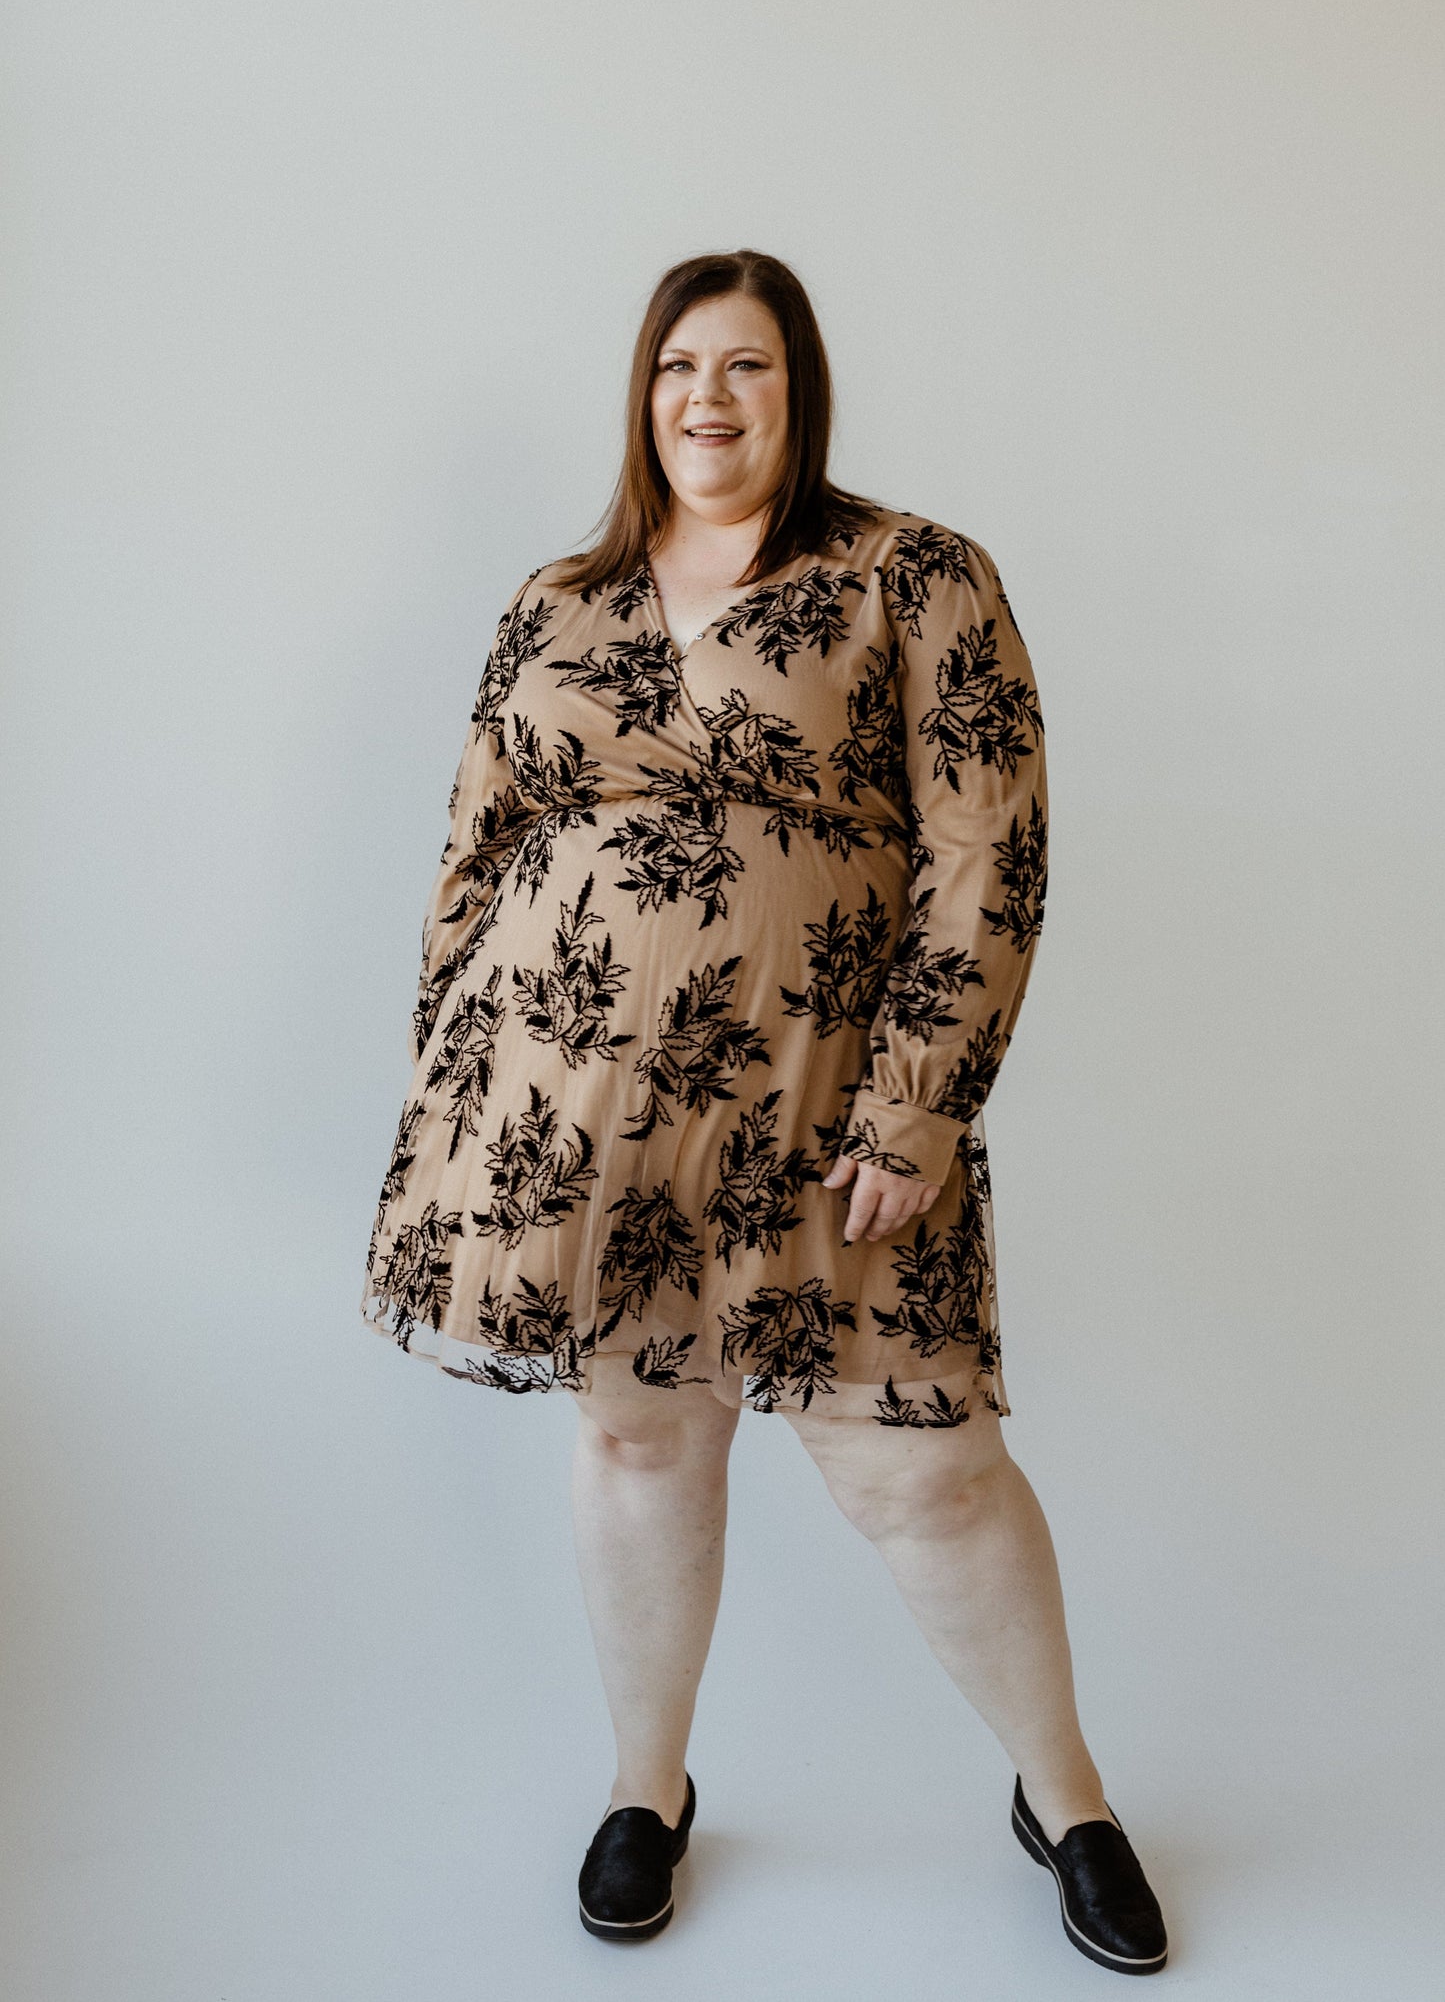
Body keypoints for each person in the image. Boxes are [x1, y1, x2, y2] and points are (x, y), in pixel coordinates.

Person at [361, 249, 1168, 1974]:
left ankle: (1066, 1795)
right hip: (567, 1114)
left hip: (828, 1117)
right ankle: (646, 1791)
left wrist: (916, 1110)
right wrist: (444, 1074)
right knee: (639, 1437)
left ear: (798, 391)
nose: (706, 400)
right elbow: (477, 845)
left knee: (929, 1476)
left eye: (744, 368)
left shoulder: (911, 577)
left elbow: (984, 855)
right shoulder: (558, 598)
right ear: (640, 395)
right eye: (676, 369)